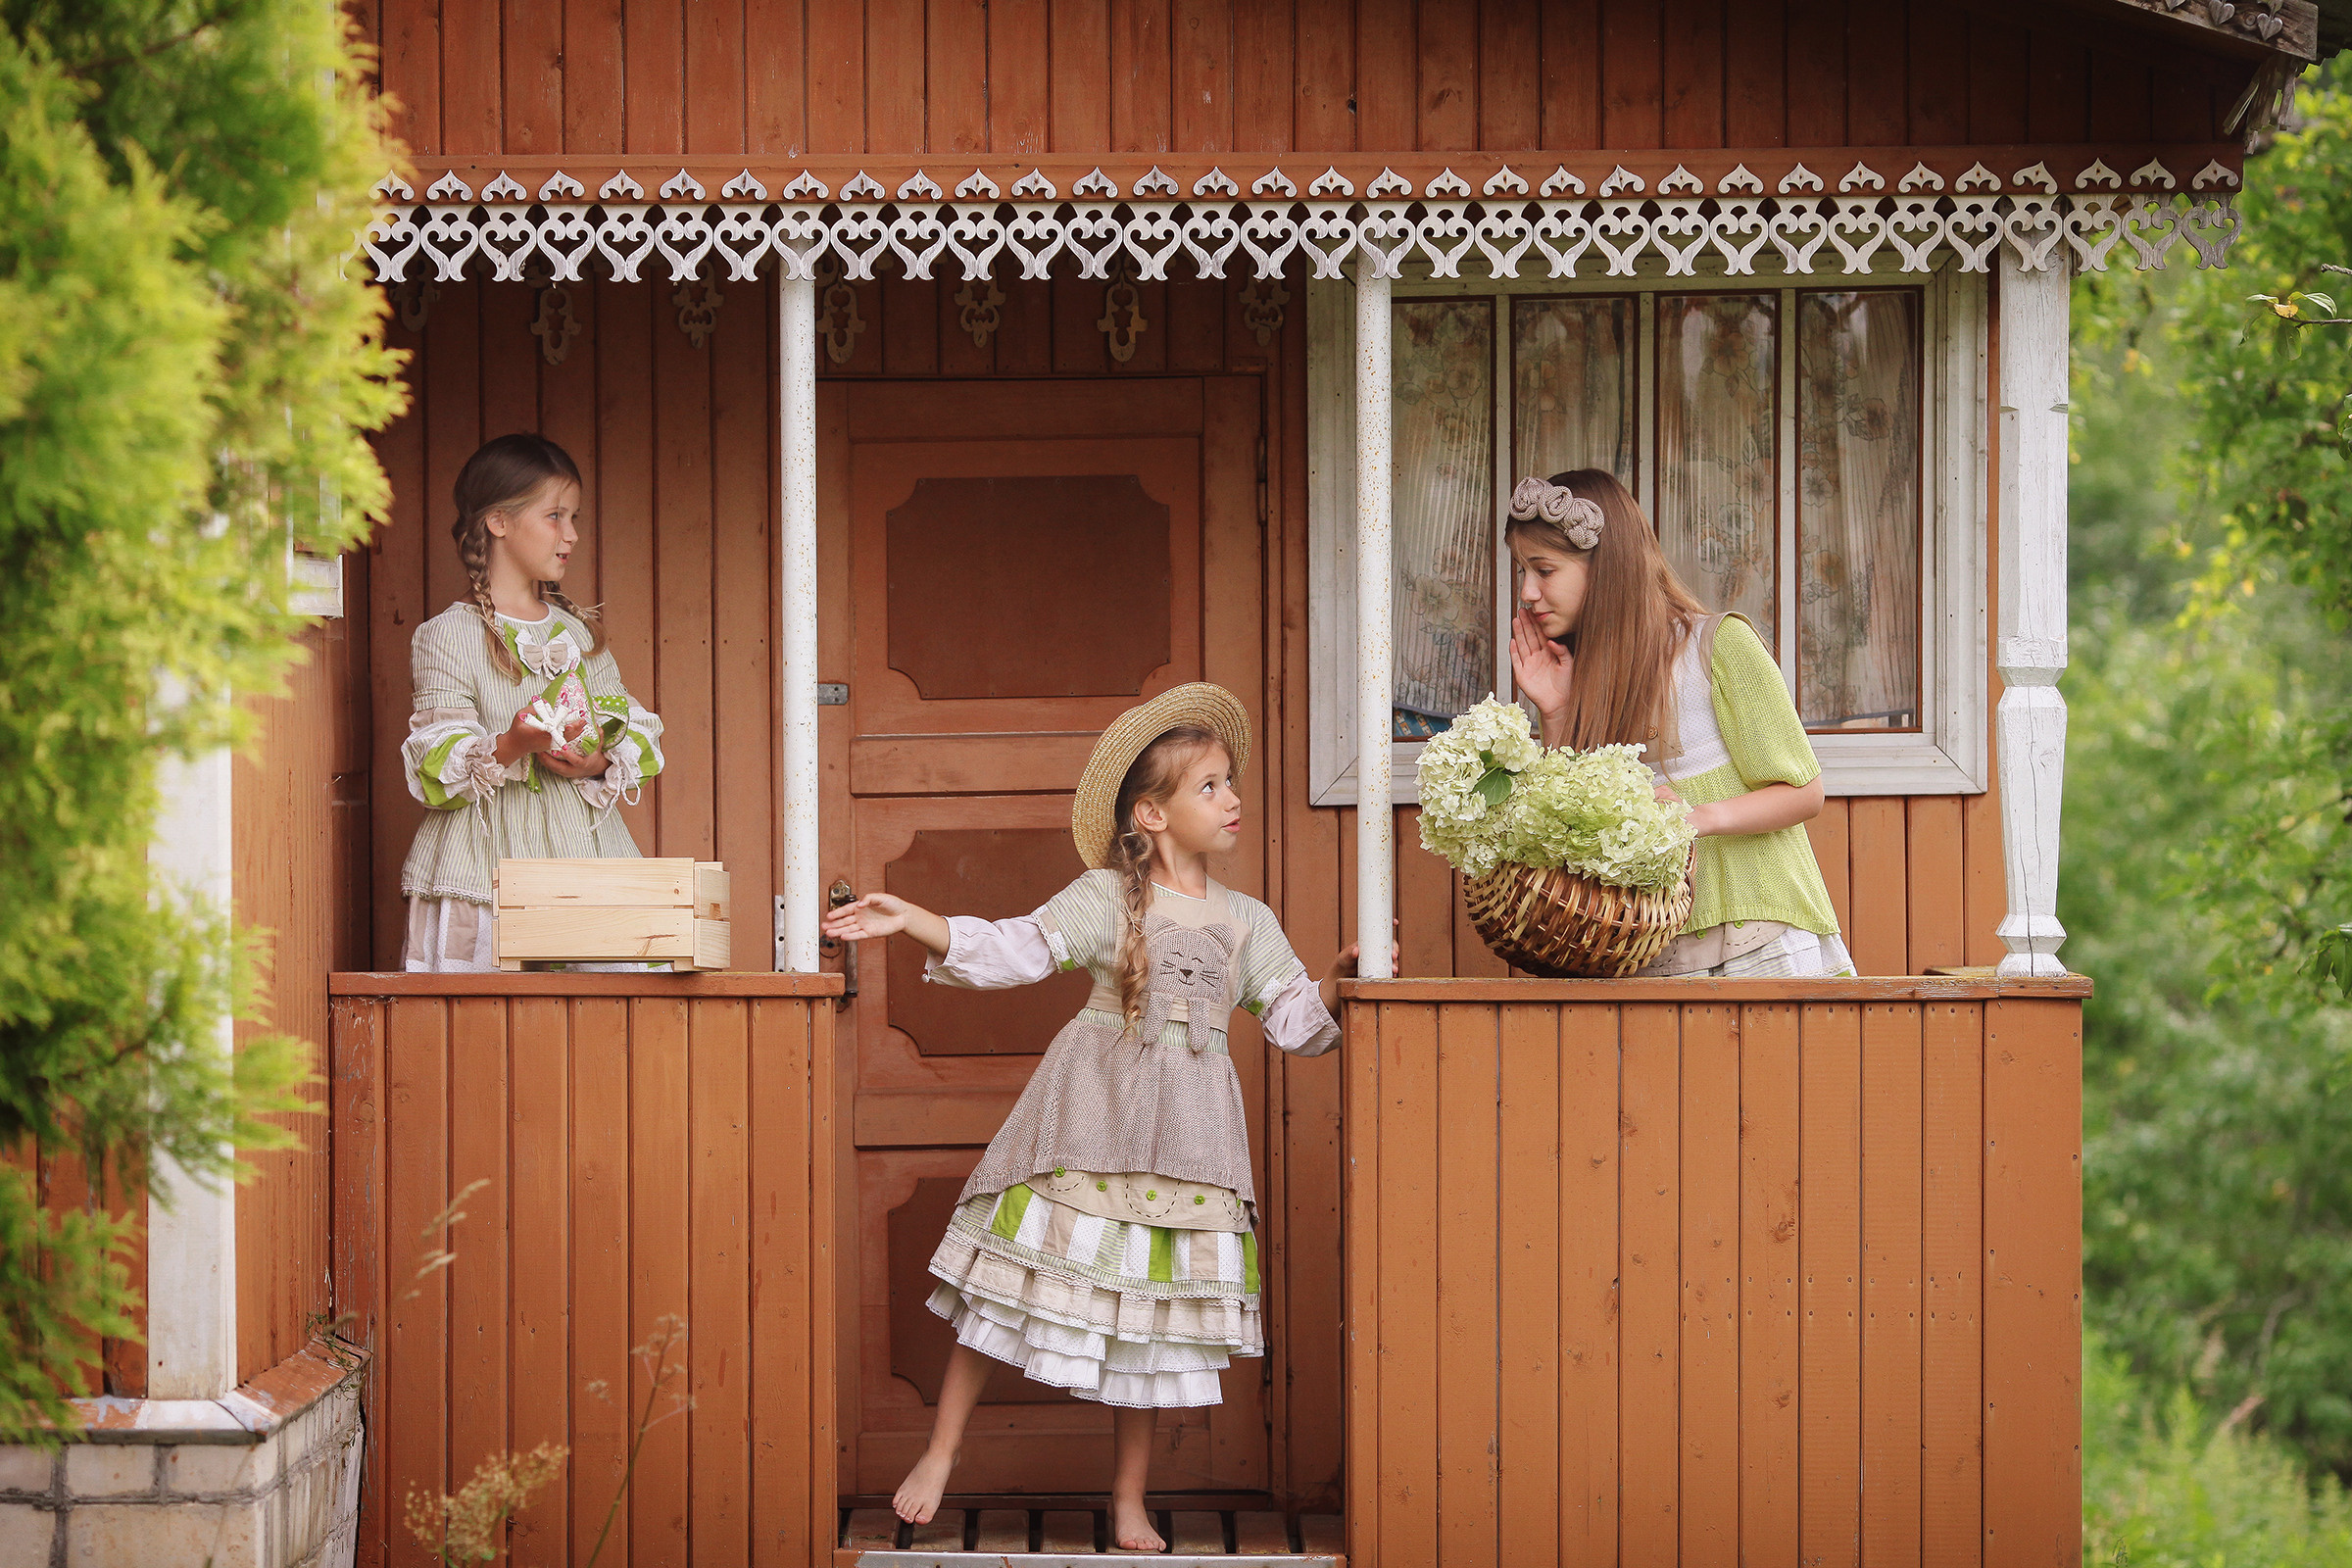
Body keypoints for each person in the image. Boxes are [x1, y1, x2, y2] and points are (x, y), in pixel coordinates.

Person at [820, 683, 1368, 1550]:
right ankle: (942, 1451)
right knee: (1013, 1278)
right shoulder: (1105, 896)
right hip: (1088, 1119)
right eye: (1210, 786)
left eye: (1229, 782)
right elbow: (1015, 949)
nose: (1232, 798)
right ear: (1151, 813)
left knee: (1142, 1315)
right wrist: (916, 918)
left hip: (1189, 1143)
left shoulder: (1249, 921)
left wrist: (1339, 982)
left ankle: (1128, 1499)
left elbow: (1295, 1023)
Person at [1505, 468, 1852, 978]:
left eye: (1544, 570)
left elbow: (1805, 793)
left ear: (1607, 566)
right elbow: (1570, 835)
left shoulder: (1718, 645)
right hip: (1648, 955)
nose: (1528, 592)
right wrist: (1556, 712)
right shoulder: (1576, 678)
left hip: (1758, 940)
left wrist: (1695, 817)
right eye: (1522, 571)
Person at [398, 433, 664, 972]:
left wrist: (597, 760)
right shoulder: (447, 635)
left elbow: (627, 722)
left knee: (613, 1008)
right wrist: (514, 744)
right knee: (484, 1015)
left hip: (583, 849)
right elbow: (434, 761)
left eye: (574, 518)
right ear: (498, 521)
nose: (571, 535)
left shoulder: (575, 633)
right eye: (555, 516)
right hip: (483, 859)